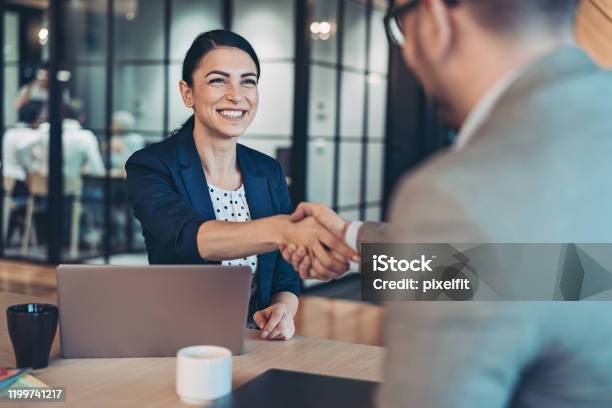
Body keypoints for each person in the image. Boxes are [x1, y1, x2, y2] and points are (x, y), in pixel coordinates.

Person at [282, 0, 612, 406]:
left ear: (435, 21)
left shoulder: (456, 193)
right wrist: (349, 239)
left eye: (400, 26)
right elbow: (565, 274)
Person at [125, 30, 358, 341]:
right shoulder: (150, 164)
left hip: (255, 344)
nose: (236, 94)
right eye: (218, 80)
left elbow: (285, 278)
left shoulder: (268, 171)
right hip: (179, 342)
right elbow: (185, 236)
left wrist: (282, 312)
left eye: (248, 81)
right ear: (187, 93)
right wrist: (284, 229)